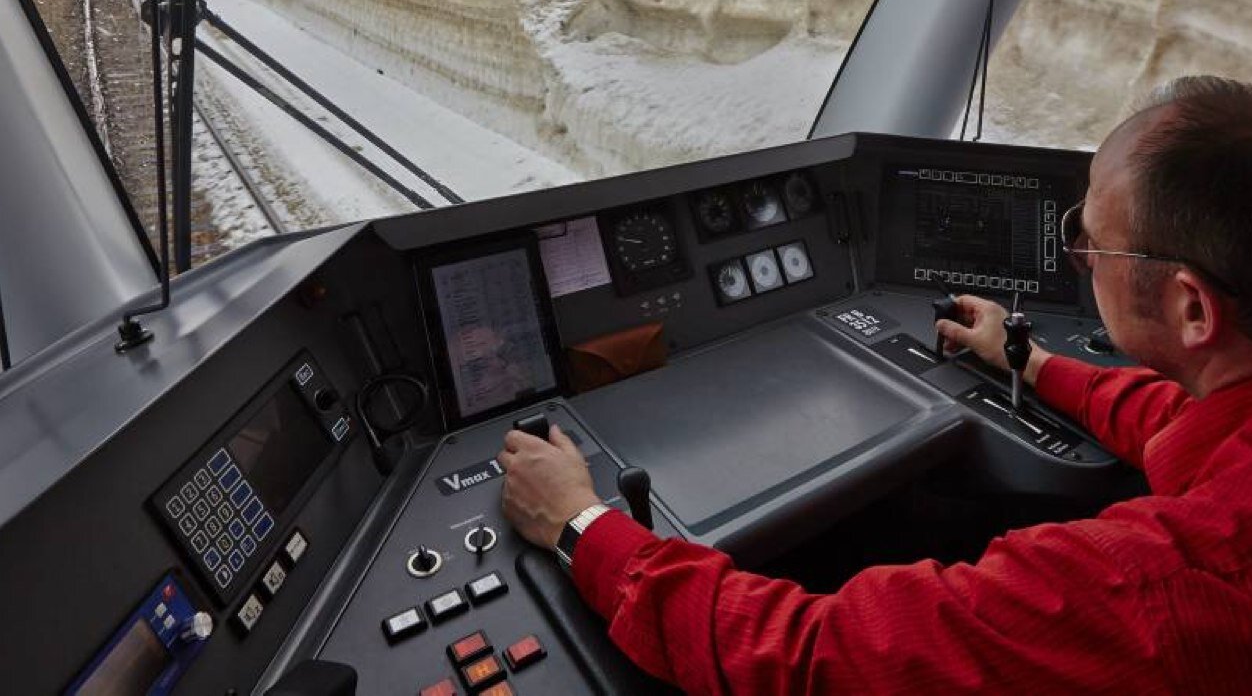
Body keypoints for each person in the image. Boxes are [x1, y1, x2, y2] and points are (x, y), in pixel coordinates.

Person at [498, 76, 1252, 693]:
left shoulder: (1153, 586)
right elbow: (1189, 426)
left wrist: (580, 522)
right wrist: (1028, 363)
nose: (1081, 252)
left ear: (1191, 308)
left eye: (1094, 240)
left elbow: (807, 656)